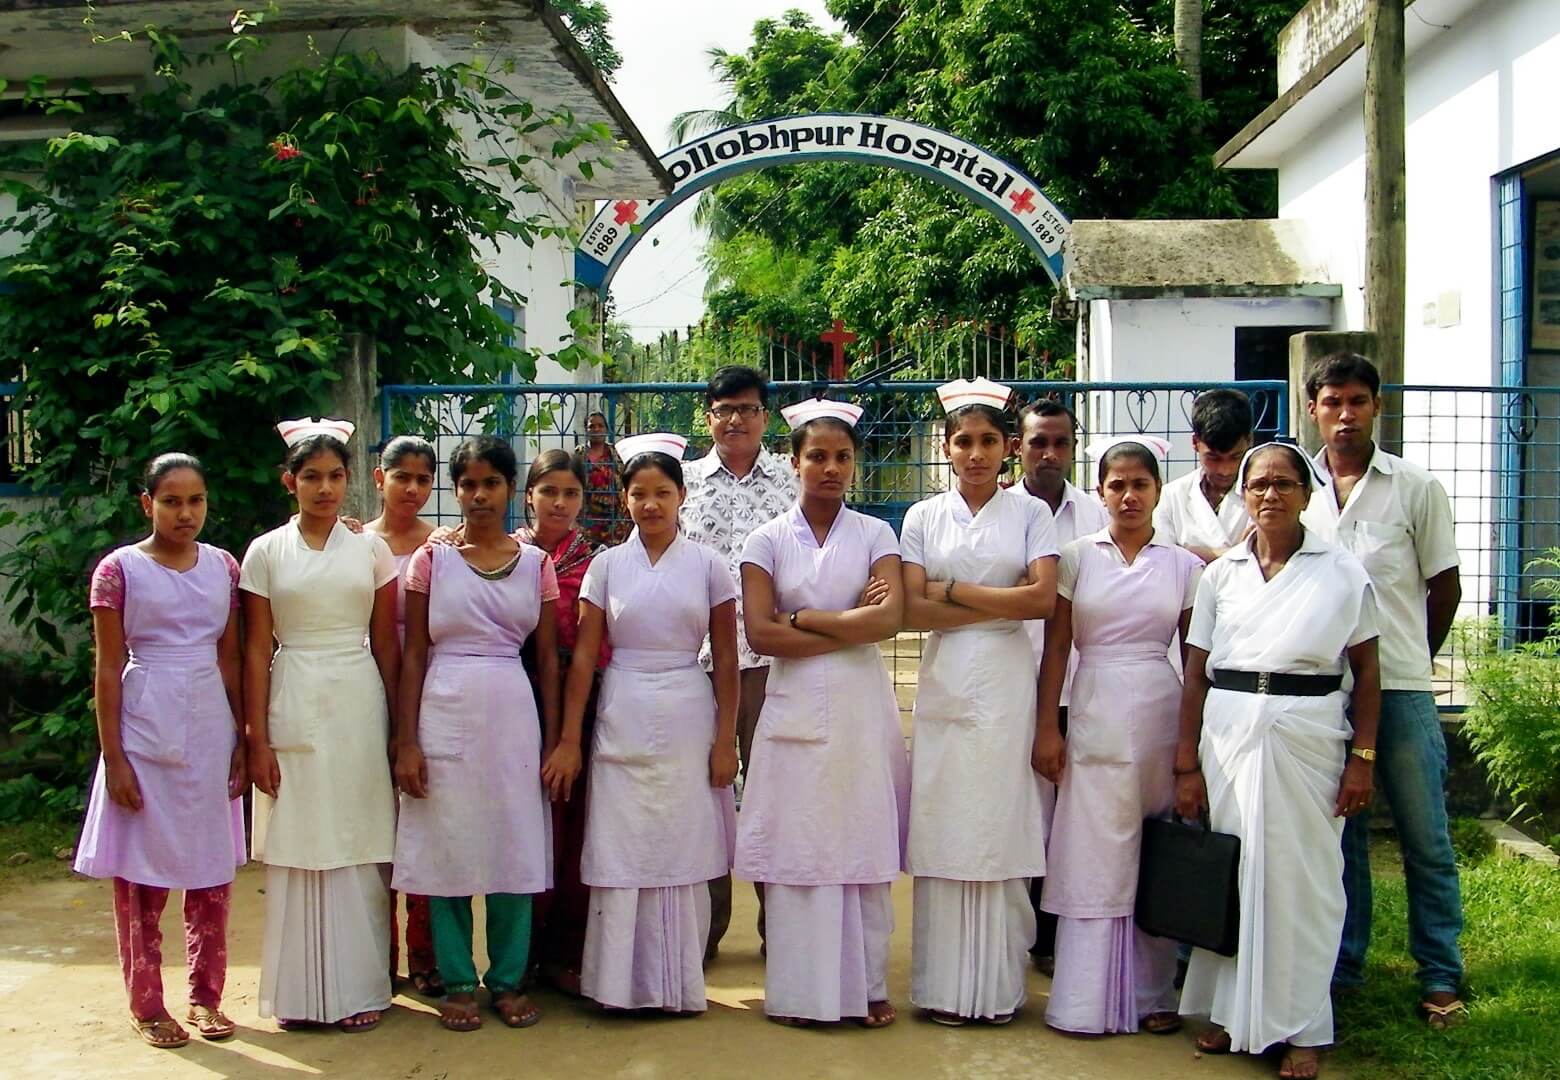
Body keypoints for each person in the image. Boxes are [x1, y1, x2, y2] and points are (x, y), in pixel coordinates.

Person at [1176, 441, 1381, 1080]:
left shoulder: (1342, 571)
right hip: (1229, 734)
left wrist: (1363, 759)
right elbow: (1195, 671)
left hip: (1310, 737)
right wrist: (1186, 760)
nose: (1270, 495)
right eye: (1258, 484)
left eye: (1284, 484)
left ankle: (1301, 1026)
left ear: (1307, 493)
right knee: (1233, 871)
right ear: (1243, 492)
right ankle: (1230, 1011)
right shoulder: (1222, 574)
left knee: (1304, 883)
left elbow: (1369, 672)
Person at [543, 433, 739, 1014]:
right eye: (639, 494)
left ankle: (675, 984)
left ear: (682, 496)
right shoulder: (606, 566)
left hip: (687, 710)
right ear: (624, 499)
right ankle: (615, 985)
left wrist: (725, 740)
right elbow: (584, 658)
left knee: (681, 841)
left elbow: (726, 658)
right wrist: (570, 740)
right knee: (622, 842)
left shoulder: (709, 565)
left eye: (662, 493)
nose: (651, 504)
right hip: (621, 708)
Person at [1300, 353, 1466, 1027]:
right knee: (1343, 837)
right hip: (1319, 689)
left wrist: (1409, 659)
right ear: (1312, 407)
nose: (1345, 414)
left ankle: (1440, 973)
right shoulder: (1294, 485)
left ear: (1376, 407)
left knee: (1425, 835)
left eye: (1358, 401)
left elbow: (1444, 586)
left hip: (1397, 687)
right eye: (1332, 401)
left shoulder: (1414, 487)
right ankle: (1346, 963)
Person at [737, 399, 910, 1029]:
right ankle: (800, 989)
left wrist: (805, 618)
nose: (830, 468)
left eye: (841, 456)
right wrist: (849, 625)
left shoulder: (875, 533)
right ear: (794, 462)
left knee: (860, 836)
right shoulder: (766, 540)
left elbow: (889, 621)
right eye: (817, 456)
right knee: (800, 842)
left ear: (854, 463)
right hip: (794, 706)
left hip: (862, 708)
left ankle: (865, 986)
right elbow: (759, 635)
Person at [900, 377, 1059, 1025]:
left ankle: (995, 989)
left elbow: (1042, 602)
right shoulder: (922, 517)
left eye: (988, 441)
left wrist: (954, 591)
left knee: (996, 821)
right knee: (947, 821)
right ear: (946, 447)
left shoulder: (1030, 514)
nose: (975, 453)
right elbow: (910, 607)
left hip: (1005, 680)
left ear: (1007, 448)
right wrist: (998, 597)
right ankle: (942, 987)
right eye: (962, 441)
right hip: (944, 682)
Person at [75, 454, 247, 1049]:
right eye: (171, 500)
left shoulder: (224, 568)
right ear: (147, 504)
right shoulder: (117, 571)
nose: (185, 512)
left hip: (208, 728)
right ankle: (147, 1004)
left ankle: (207, 997)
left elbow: (229, 659)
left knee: (210, 873)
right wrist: (115, 758)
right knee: (141, 878)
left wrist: (242, 740)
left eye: (195, 500)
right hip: (144, 729)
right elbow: (106, 670)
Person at [1033, 434, 1201, 1036]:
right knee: (1095, 847)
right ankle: (1085, 995)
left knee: (1151, 848)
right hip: (1093, 706)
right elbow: (1056, 647)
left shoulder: (1184, 565)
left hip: (1158, 709)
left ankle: (1154, 994)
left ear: (1158, 491)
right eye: (1116, 485)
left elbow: (1196, 660)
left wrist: (1190, 748)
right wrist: (1046, 725)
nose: (1128, 496)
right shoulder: (1076, 556)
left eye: (1141, 484)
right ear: (1099, 491)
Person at [393, 436, 558, 1032]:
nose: (479, 495)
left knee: (514, 842)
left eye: (491, 483)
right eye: (467, 484)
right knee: (448, 844)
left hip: (513, 714)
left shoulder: (537, 565)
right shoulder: (430, 562)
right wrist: (406, 740)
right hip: (443, 708)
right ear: (454, 490)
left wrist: (559, 738)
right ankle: (459, 981)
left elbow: (548, 662)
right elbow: (413, 656)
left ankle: (508, 981)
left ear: (511, 489)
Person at [241, 417, 401, 1032]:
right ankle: (300, 994)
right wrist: (257, 737)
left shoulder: (371, 549)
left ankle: (360, 987)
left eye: (336, 476)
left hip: (358, 700)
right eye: (312, 477)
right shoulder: (265, 551)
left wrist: (399, 729)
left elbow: (388, 645)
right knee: (301, 842)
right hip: (295, 696)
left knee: (357, 841)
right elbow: (255, 649)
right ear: (291, 482)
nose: (325, 488)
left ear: (353, 480)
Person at [680, 365, 798, 959]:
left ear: (765, 416)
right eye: (724, 409)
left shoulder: (790, 481)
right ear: (708, 416)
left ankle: (781, 930)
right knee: (707, 798)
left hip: (774, 663)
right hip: (697, 667)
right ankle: (704, 930)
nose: (735, 420)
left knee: (775, 794)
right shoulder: (682, 482)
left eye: (748, 409)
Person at [1011, 399, 1107, 969]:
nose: (1049, 454)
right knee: (1023, 813)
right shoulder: (999, 512)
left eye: (1060, 443)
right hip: (1011, 686)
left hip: (1080, 689)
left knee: (1072, 819)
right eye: (1037, 442)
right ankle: (1016, 930)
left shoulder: (1094, 514)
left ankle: (1058, 936)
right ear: (1018, 447)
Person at [517, 450, 610, 995]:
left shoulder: (594, 563)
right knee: (523, 825)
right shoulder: (500, 554)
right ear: (528, 494)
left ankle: (566, 954)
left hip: (581, 699)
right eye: (548, 490)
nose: (559, 502)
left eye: (570, 493)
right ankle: (520, 957)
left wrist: (569, 732)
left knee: (571, 830)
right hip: (513, 698)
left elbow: (595, 646)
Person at [363, 434, 442, 999]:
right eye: (401, 477)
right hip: (363, 692)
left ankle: (426, 958)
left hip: (425, 691)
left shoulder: (441, 546)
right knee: (374, 828)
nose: (412, 489)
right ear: (378, 479)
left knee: (424, 824)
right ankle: (377, 957)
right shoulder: (354, 544)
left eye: (422, 479)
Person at [1154, 389, 1254, 564]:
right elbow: (1165, 559)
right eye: (1213, 458)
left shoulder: (1262, 494)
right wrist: (1237, 553)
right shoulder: (1171, 497)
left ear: (1250, 441)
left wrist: (1192, 553)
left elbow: (1263, 554)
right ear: (1195, 442)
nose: (1225, 470)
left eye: (1235, 457)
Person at [577, 410, 628, 547]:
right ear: (586, 430)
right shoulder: (579, 455)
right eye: (592, 426)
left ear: (606, 429)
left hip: (613, 519)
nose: (596, 429)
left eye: (600, 426)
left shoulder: (616, 454)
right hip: (587, 518)